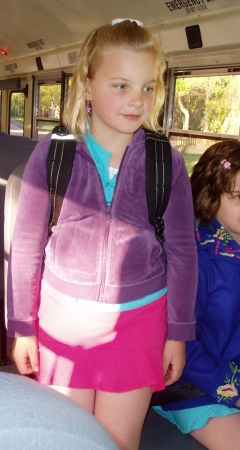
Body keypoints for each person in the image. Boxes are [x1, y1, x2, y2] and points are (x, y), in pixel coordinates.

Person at [7, 19, 197, 450]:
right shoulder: (54, 154)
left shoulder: (165, 162)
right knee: (68, 440)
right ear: (88, 86)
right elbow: (26, 249)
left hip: (138, 325)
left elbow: (183, 253)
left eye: (148, 88)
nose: (137, 101)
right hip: (63, 326)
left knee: (117, 442)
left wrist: (177, 333)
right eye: (121, 86)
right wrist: (22, 328)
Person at [154, 139, 240, 450]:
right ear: (210, 199)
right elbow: (183, 346)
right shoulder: (197, 260)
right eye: (238, 196)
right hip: (192, 386)